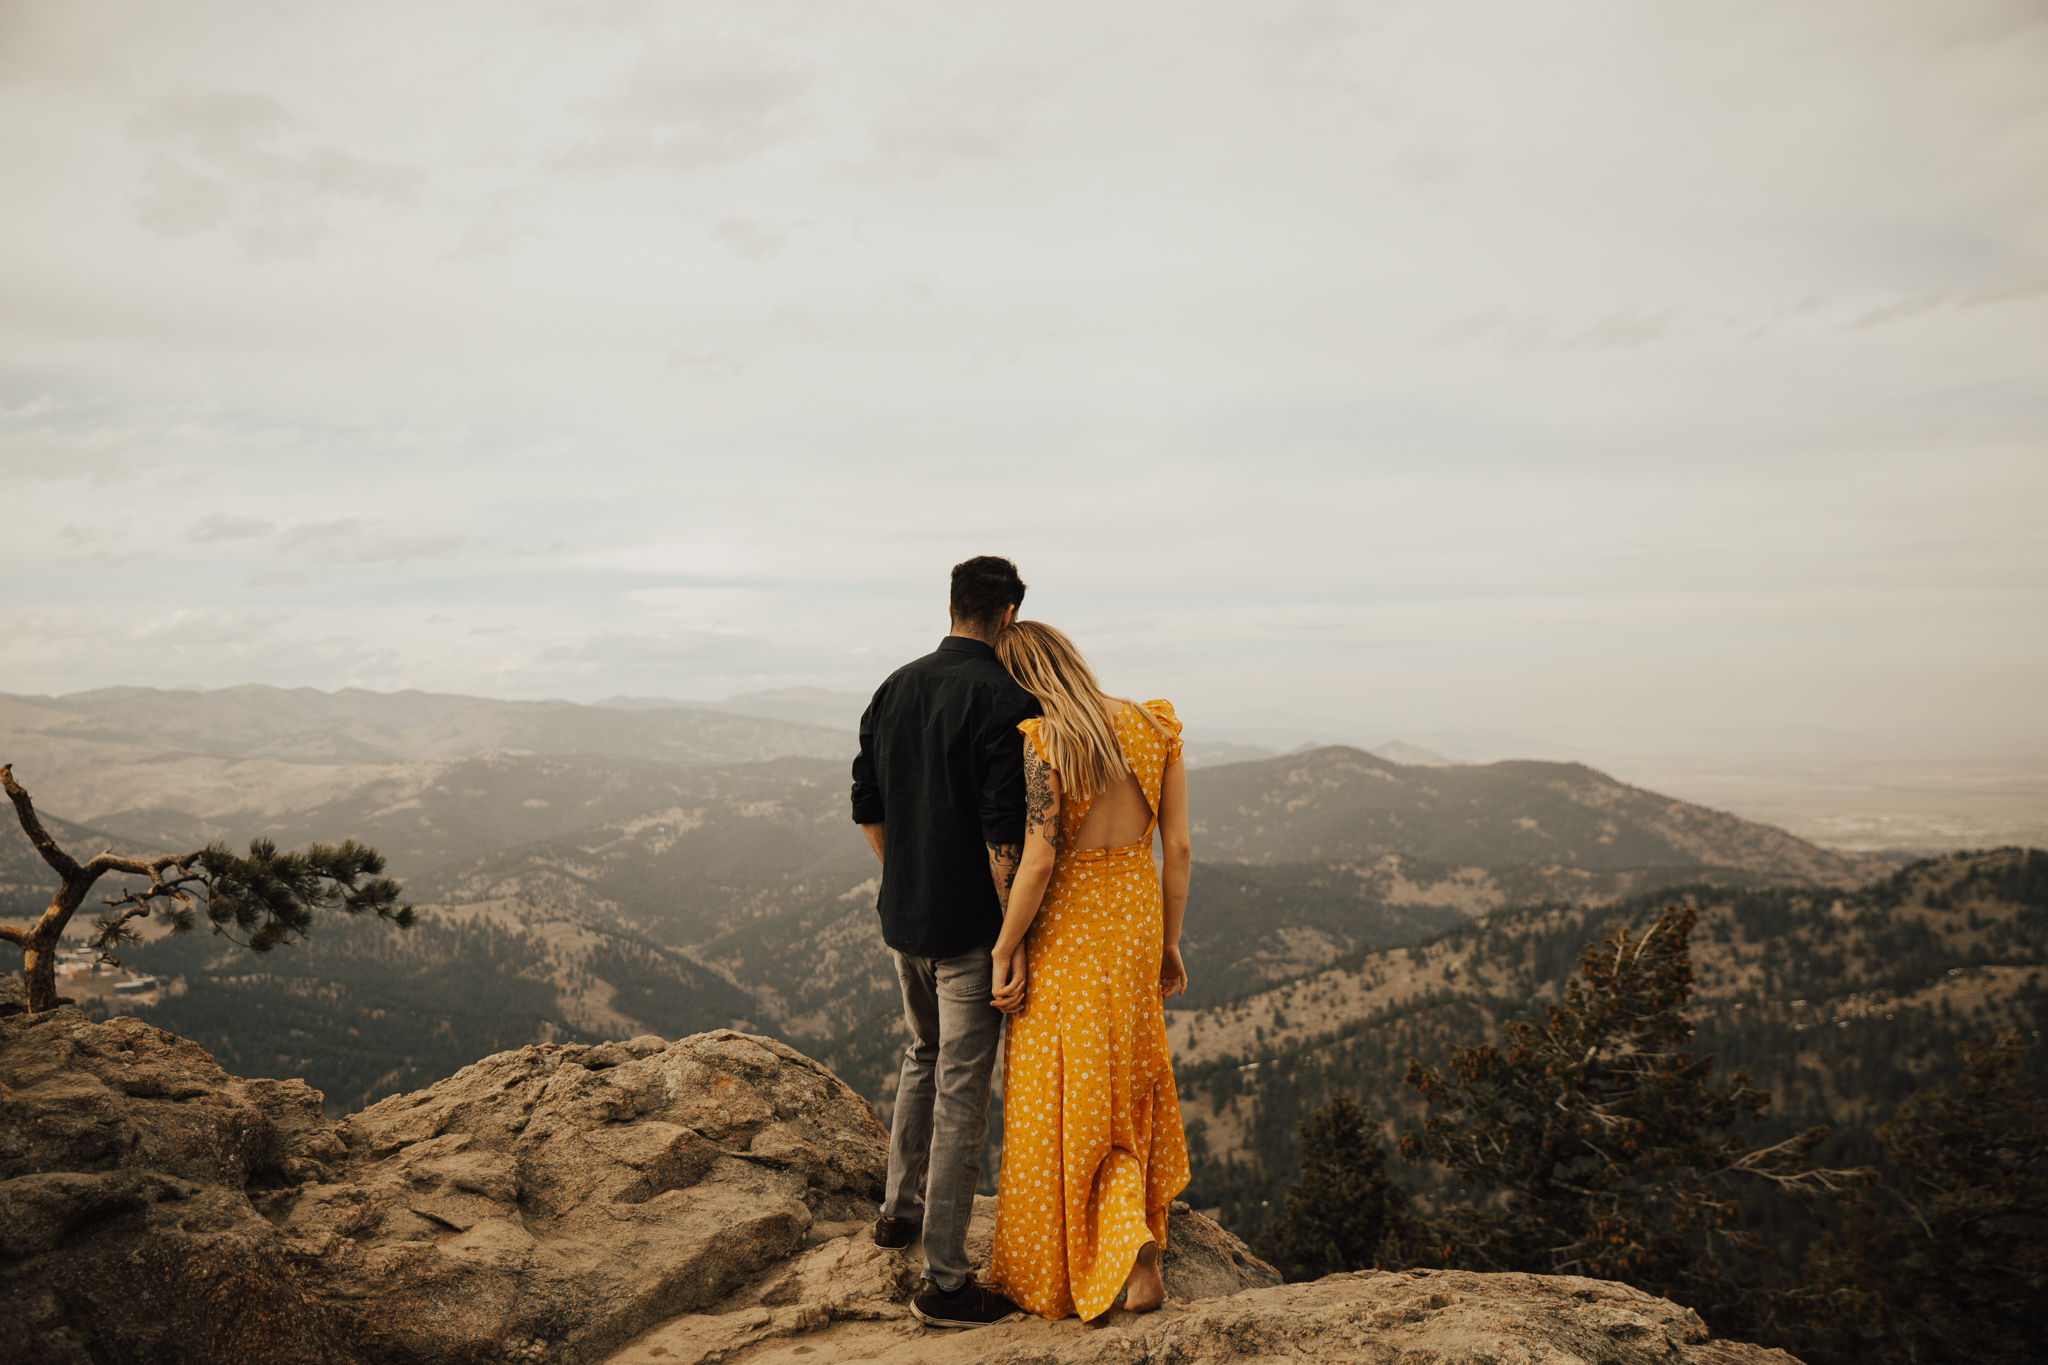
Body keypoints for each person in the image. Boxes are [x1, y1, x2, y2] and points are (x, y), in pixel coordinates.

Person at [849, 555, 1041, 1330]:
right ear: (1010, 613)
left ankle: (897, 1211)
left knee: (921, 1054)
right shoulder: (1008, 699)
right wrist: (1011, 939)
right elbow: (1005, 838)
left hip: (906, 916)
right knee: (963, 1088)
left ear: (954, 604)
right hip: (970, 930)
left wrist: (911, 874)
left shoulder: (894, 686)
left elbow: (868, 806)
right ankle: (948, 1283)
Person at [985, 620, 1192, 1321]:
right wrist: (1170, 941)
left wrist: (1004, 944)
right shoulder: (1154, 724)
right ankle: (1142, 1253)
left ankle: (1096, 1257)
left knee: (1066, 1093)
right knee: (1129, 1079)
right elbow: (1182, 848)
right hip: (1135, 921)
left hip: (1069, 930)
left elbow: (1039, 860)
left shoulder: (1046, 740)